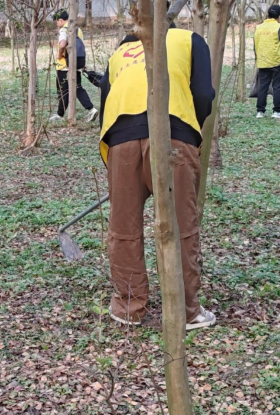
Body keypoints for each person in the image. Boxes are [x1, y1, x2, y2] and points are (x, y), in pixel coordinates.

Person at [98, 27, 216, 330]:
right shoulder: (189, 39)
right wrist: (188, 130)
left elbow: (105, 105)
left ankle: (128, 307)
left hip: (120, 139)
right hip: (173, 134)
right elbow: (204, 95)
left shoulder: (120, 51)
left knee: (123, 227)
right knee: (181, 226)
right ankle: (186, 311)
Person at [49, 9, 98, 123]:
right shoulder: (77, 29)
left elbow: (62, 45)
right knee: (77, 87)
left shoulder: (64, 30)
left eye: (57, 21)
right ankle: (90, 109)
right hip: (76, 63)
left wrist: (59, 55)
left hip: (64, 66)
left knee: (63, 90)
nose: (57, 23)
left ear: (60, 20)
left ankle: (61, 114)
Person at [254, 5, 280, 119]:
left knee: (263, 87)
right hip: (277, 61)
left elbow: (255, 45)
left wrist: (258, 58)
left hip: (262, 61)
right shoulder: (278, 27)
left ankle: (260, 111)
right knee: (277, 86)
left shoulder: (259, 28)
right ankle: (277, 111)